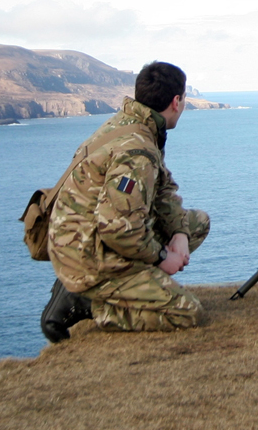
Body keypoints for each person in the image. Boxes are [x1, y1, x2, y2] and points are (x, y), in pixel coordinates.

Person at [41, 61, 211, 342]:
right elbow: (118, 229)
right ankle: (88, 302)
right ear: (176, 101)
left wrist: (180, 233)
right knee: (186, 313)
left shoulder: (136, 125)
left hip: (87, 236)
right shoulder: (136, 150)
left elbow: (162, 189)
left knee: (197, 223)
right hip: (89, 255)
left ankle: (132, 284)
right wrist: (162, 258)